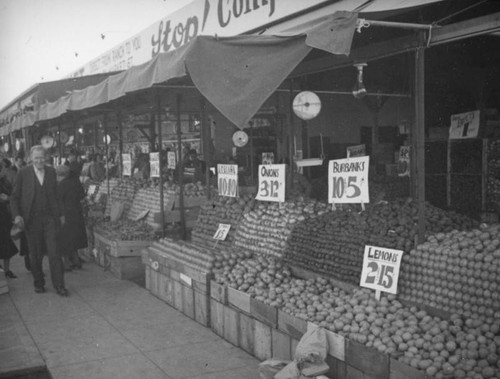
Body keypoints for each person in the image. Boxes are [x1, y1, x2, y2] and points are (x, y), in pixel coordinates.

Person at [10, 145, 68, 296]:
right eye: (36, 158)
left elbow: (56, 195)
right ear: (31, 158)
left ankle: (59, 285)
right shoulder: (23, 173)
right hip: (32, 220)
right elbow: (14, 197)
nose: (39, 160)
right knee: (35, 254)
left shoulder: (51, 171)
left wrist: (61, 214)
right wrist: (17, 215)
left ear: (46, 157)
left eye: (42, 157)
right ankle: (39, 283)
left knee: (54, 252)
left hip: (49, 219)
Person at [56, 165, 87, 271]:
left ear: (59, 174)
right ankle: (77, 262)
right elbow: (82, 196)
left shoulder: (61, 185)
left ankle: (67, 265)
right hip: (77, 212)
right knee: (74, 239)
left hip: (65, 214)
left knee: (65, 240)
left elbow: (58, 201)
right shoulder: (75, 182)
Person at [0, 173, 18, 278]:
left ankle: (7, 270)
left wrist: (7, 198)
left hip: (4, 217)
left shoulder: (5, 182)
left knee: (6, 243)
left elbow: (13, 195)